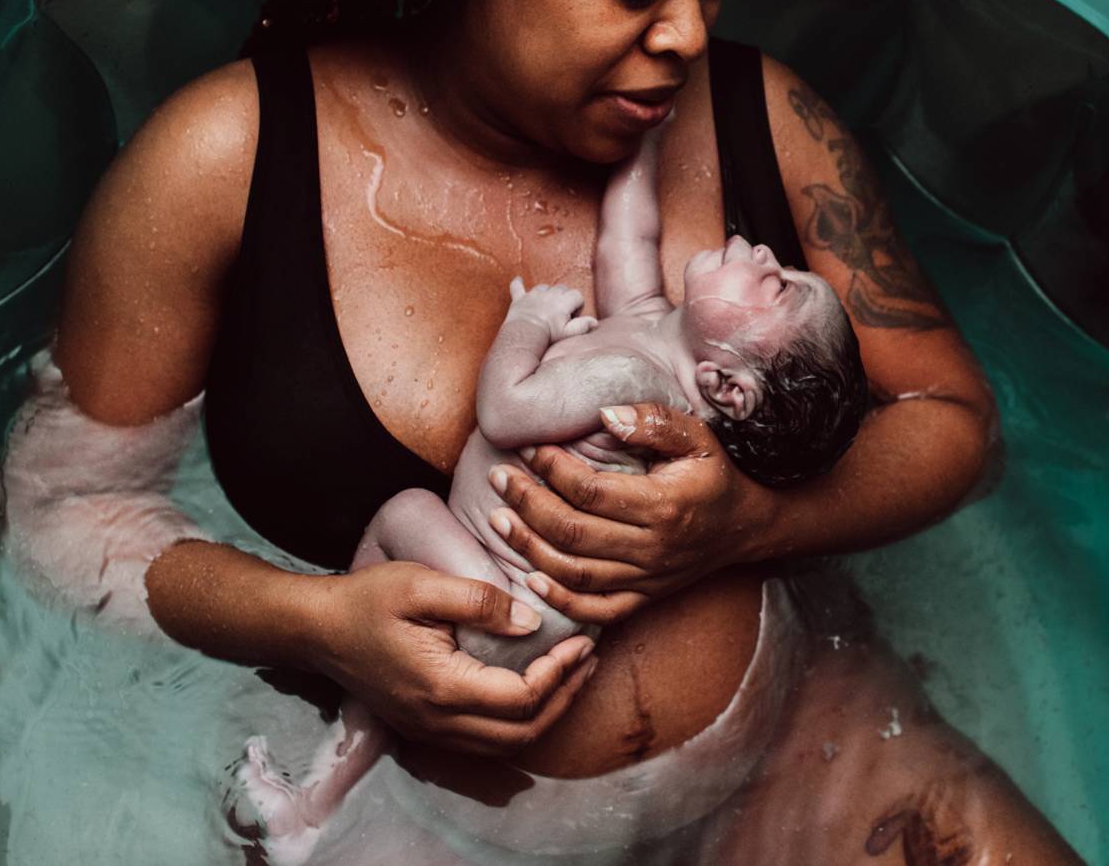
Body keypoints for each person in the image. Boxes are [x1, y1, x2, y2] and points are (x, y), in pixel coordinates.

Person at [4, 0, 1085, 860]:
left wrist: (751, 525)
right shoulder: (225, 164)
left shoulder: (765, 118)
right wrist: (321, 628)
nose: (686, 36)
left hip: (803, 742)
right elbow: (63, 512)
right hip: (419, 819)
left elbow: (954, 419)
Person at [231, 125, 867, 854]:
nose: (763, 254)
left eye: (778, 285)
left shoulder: (636, 381)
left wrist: (527, 322)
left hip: (507, 607)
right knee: (391, 688)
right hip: (522, 618)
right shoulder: (650, 333)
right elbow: (629, 234)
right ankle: (313, 807)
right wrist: (644, 138)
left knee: (402, 519)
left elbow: (505, 410)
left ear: (728, 385)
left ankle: (333, 684)